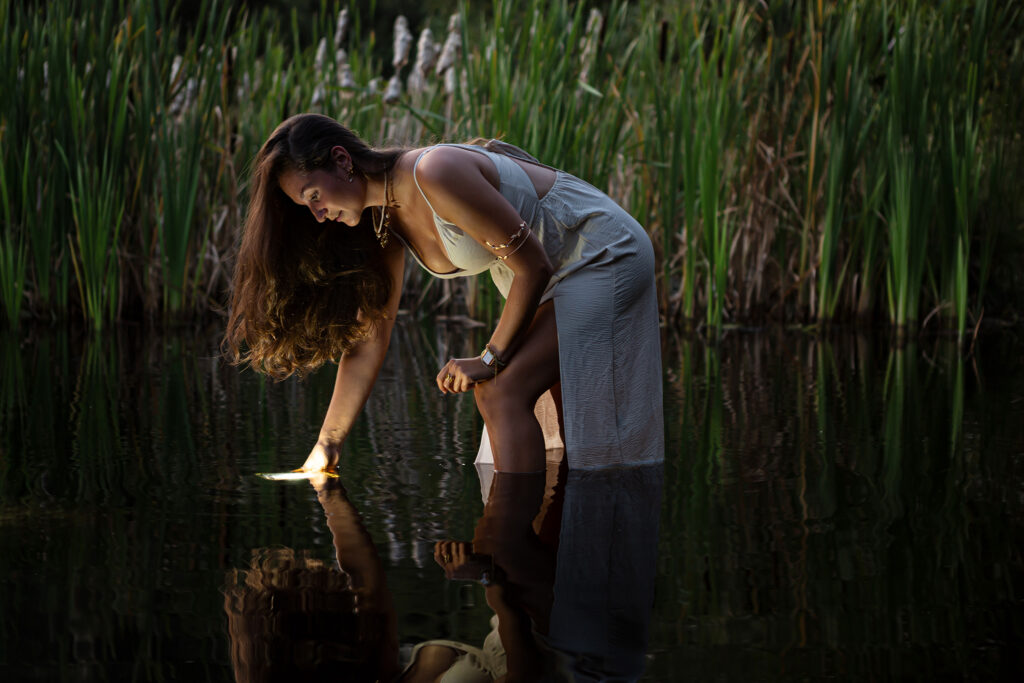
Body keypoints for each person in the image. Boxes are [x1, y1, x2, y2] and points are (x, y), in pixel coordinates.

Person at [224, 113, 663, 473]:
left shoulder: (434, 173)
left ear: (341, 160)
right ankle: (531, 542)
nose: (318, 215)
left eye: (315, 196)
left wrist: (488, 359)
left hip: (600, 254)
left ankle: (507, 544)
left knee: (499, 392)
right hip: (553, 277)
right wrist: (328, 445)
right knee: (552, 428)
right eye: (307, 207)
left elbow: (533, 265)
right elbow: (372, 335)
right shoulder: (383, 222)